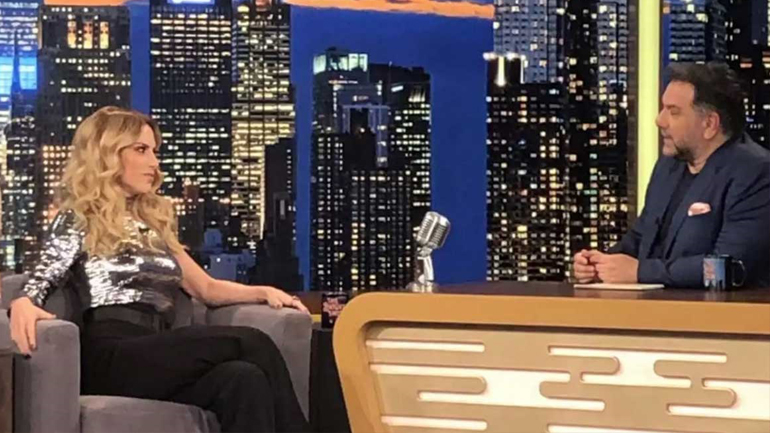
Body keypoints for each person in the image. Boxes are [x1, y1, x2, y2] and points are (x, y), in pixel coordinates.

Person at [8, 106, 311, 432]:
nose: (154, 162)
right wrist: (23, 302)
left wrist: (263, 291)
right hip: (112, 353)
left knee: (243, 379)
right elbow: (41, 277)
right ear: (108, 154)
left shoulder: (154, 226)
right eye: (141, 150)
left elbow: (206, 288)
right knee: (253, 342)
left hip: (157, 350)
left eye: (154, 151)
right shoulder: (79, 218)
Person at [574, 62, 770, 288]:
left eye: (673, 112)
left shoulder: (756, 172)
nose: (660, 120)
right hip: (660, 307)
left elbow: (728, 267)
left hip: (722, 309)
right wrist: (600, 264)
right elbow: (641, 239)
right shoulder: (669, 166)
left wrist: (640, 271)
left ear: (709, 124)